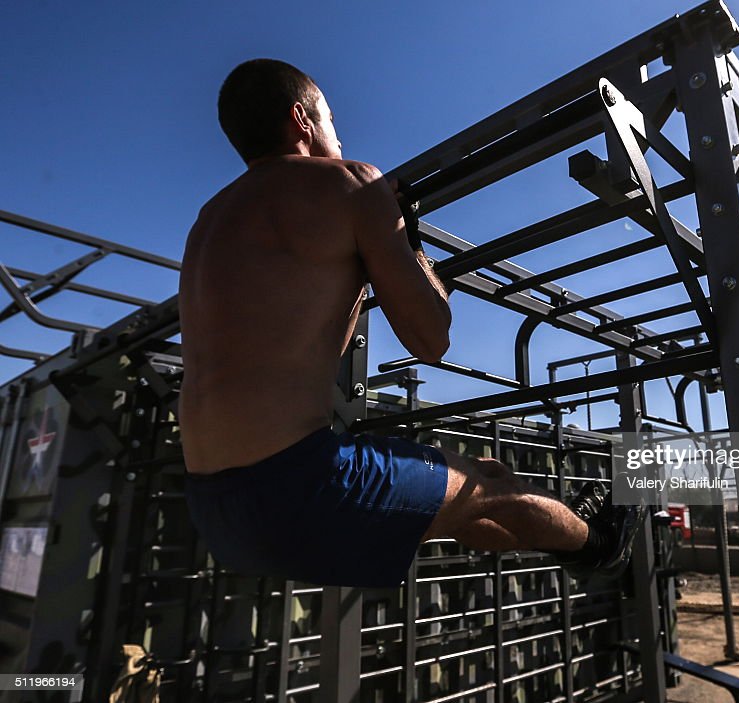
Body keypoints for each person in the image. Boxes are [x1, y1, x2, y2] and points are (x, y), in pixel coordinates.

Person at [178, 58, 642, 588]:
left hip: (214, 510)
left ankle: (572, 536)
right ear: (302, 121)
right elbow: (431, 339)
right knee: (488, 482)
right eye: (331, 120)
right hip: (298, 483)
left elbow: (296, 324)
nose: (338, 134)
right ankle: (602, 546)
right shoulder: (350, 183)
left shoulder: (208, 221)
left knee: (468, 513)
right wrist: (407, 238)